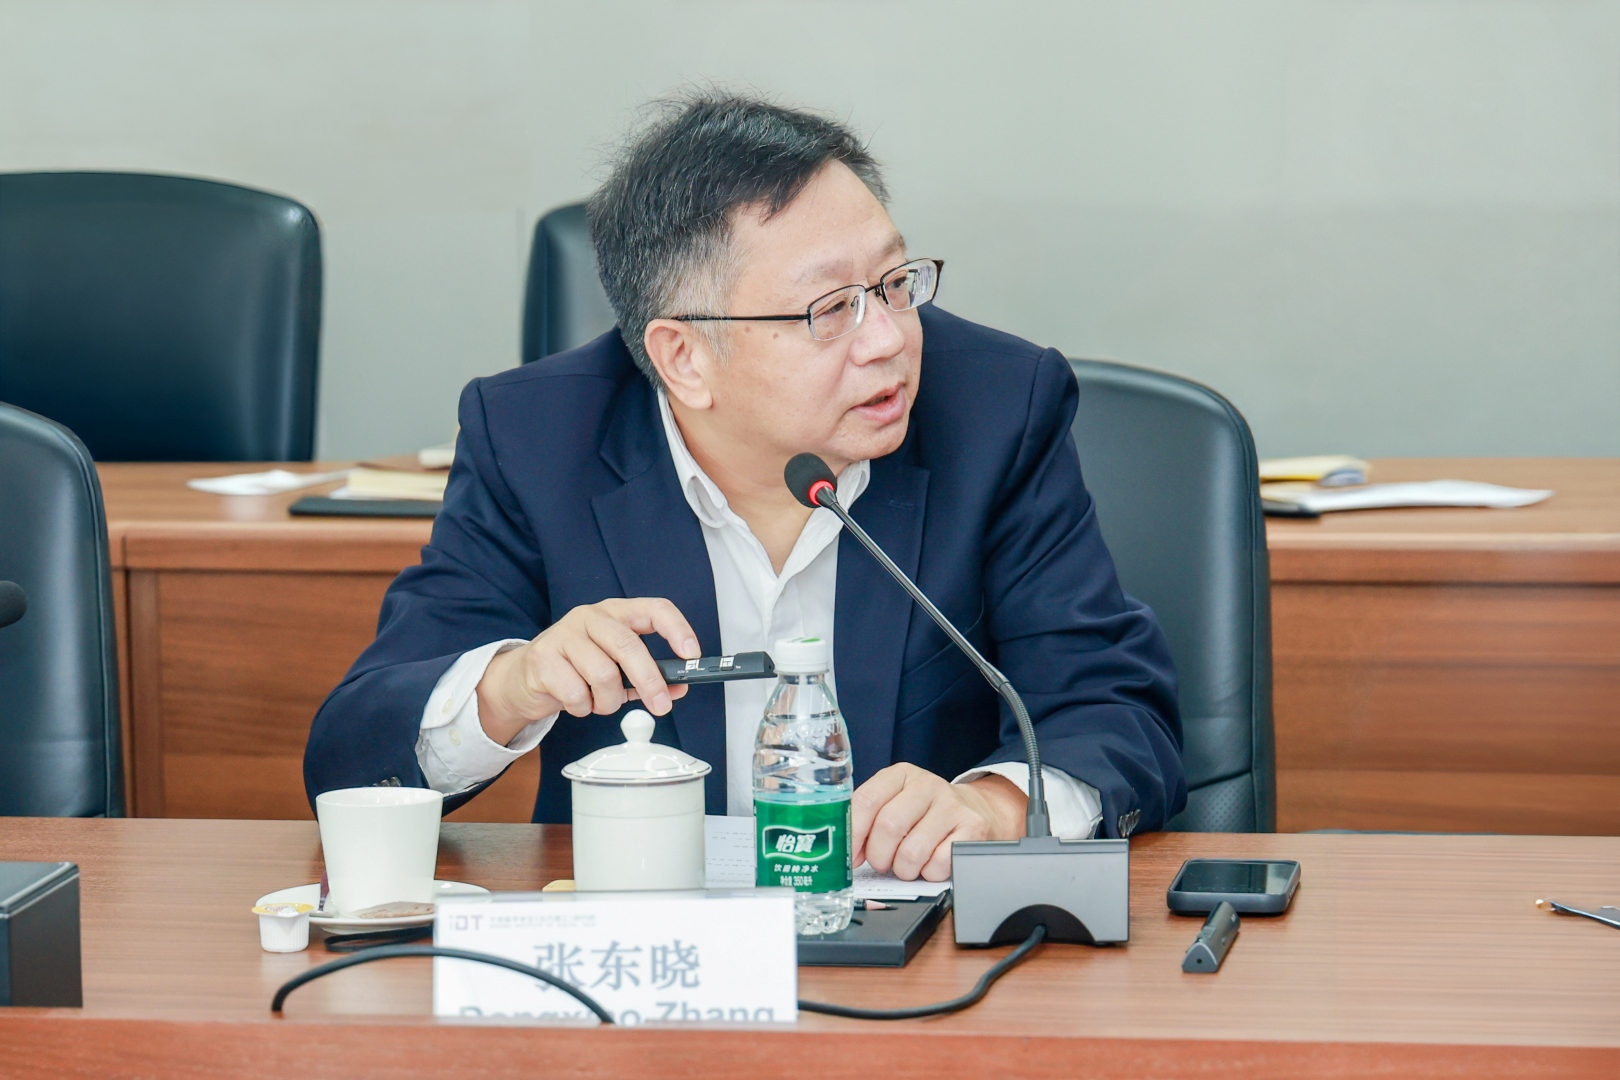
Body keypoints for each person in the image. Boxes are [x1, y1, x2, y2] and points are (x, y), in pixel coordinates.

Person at [304, 93, 1185, 881]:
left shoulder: (994, 406)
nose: (887, 339)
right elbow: (351, 761)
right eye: (830, 309)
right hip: (644, 956)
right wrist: (513, 685)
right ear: (683, 357)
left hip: (914, 959)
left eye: (893, 283)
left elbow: (1116, 709)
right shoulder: (537, 439)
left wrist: (996, 805)